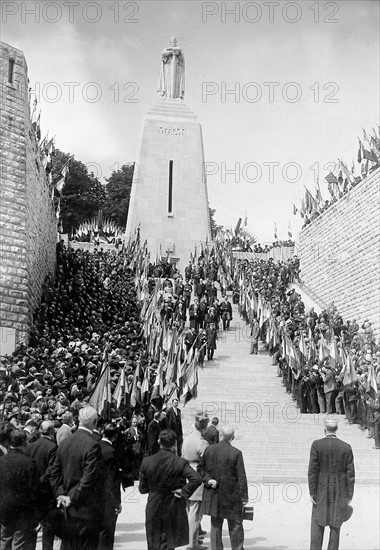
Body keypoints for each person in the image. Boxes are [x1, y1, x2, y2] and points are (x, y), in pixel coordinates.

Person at [50, 405, 104, 550]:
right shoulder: (93, 445)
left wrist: (62, 494)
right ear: (94, 422)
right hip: (85, 509)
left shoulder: (66, 442)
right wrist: (71, 498)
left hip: (67, 508)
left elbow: (54, 473)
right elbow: (89, 478)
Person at [139, 429, 201, 550]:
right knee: (169, 542)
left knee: (153, 542)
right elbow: (196, 479)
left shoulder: (147, 461)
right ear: (175, 445)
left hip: (154, 505)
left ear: (158, 442)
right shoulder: (180, 462)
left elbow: (142, 489)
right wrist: (183, 491)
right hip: (172, 505)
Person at [308, 418, 355, 550]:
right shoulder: (346, 447)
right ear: (336, 429)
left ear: (325, 429)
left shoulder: (317, 445)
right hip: (339, 492)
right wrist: (349, 495)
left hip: (321, 491)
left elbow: (313, 471)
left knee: (317, 524)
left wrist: (312, 492)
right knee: (335, 526)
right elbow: (350, 474)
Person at [198, 426, 248, 550]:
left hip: (214, 493)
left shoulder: (209, 450)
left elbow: (200, 469)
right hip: (232, 495)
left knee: (216, 525)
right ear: (233, 437)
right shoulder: (236, 453)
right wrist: (244, 497)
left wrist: (208, 479)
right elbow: (241, 476)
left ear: (220, 436)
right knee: (235, 524)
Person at [0, 429, 41, 550]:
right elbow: (34, 490)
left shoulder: (1, 461)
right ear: (24, 442)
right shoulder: (29, 463)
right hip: (22, 512)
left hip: (3, 509)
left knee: (4, 540)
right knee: (19, 543)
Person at [27, 420, 57, 550]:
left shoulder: (30, 446)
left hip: (32, 489)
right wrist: (42, 480)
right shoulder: (53, 447)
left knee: (32, 526)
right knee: (48, 527)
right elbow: (52, 469)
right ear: (52, 432)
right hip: (46, 490)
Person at [182, 413, 209, 550]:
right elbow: (208, 461)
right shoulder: (202, 442)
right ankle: (192, 544)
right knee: (195, 512)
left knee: (189, 509)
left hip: (186, 473)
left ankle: (191, 539)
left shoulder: (187, 439)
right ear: (206, 426)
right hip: (197, 474)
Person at [98, 423, 122, 550]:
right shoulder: (111, 452)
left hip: (93, 495)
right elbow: (113, 480)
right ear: (115, 436)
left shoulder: (94, 446)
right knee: (107, 533)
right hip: (107, 498)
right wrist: (117, 502)